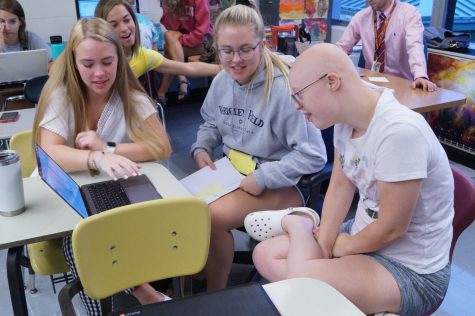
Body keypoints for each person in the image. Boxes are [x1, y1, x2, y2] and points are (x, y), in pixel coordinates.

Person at [248, 43, 454, 315]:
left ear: (332, 82)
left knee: (301, 280)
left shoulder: (399, 133)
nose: (298, 107)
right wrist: (324, 244)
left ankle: (298, 224)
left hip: (409, 269)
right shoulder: (345, 121)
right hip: (363, 232)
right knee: (264, 254)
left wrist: (346, 247)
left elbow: (392, 228)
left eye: (299, 95)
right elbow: (340, 185)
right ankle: (305, 232)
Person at [32, 18, 171, 315]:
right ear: (73, 63)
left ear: (120, 59)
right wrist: (97, 159)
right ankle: (142, 296)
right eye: (88, 64)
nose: (99, 73)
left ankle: (133, 300)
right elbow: (49, 152)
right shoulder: (63, 96)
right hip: (69, 201)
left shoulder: (130, 97)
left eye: (108, 62)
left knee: (128, 230)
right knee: (82, 241)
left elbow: (161, 147)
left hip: (115, 197)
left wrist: (106, 147)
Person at [190, 2, 327, 291]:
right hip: (232, 173)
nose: (235, 59)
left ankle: (213, 296)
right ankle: (198, 271)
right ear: (216, 47)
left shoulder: (283, 88)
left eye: (245, 49)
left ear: (261, 44)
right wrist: (202, 148)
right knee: (182, 207)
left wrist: (264, 177)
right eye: (226, 50)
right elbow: (211, 124)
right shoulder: (221, 81)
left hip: (281, 183)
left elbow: (314, 155)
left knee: (209, 218)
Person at [94, 0, 220, 93]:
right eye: (113, 25)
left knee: (169, 46)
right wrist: (171, 8)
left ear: (134, 20)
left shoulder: (143, 56)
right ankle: (174, 87)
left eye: (127, 20)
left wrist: (226, 68)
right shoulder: (97, 63)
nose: (124, 29)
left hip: (199, 42)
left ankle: (174, 87)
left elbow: (190, 68)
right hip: (104, 121)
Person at [335, 0, 437, 92]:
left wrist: (420, 76)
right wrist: (327, 65)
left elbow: (414, 45)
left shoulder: (409, 14)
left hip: (402, 86)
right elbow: (342, 48)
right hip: (371, 85)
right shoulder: (361, 17)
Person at [156, 0, 213, 104]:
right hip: (181, 41)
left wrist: (182, 40)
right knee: (169, 39)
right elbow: (172, 28)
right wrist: (170, 7)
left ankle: (166, 91)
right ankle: (175, 85)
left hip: (203, 42)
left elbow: (201, 32)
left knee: (169, 46)